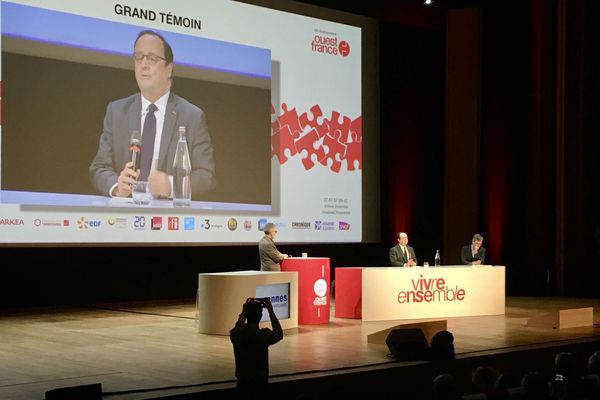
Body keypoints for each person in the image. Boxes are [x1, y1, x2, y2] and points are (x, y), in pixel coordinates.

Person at [90, 30, 215, 199]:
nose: (143, 64)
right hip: (123, 217)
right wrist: (117, 186)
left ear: (168, 69)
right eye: (139, 57)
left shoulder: (192, 116)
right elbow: (99, 168)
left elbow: (207, 176)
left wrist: (171, 185)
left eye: (152, 58)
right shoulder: (117, 111)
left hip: (168, 219)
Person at [230, 297, 283, 399]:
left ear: (246, 315)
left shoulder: (236, 335)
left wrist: (243, 313)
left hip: (243, 385)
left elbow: (237, 328)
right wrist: (271, 312)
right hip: (261, 385)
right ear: (260, 316)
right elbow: (279, 334)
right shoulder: (264, 335)